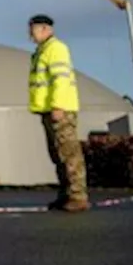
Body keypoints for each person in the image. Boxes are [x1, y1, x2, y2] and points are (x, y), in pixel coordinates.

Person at [28, 14, 89, 212]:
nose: (31, 34)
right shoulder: (41, 51)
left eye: (35, 29)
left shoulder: (56, 49)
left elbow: (60, 79)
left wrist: (58, 106)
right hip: (48, 110)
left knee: (69, 152)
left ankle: (78, 195)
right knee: (57, 154)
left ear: (47, 29)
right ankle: (65, 195)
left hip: (59, 110)